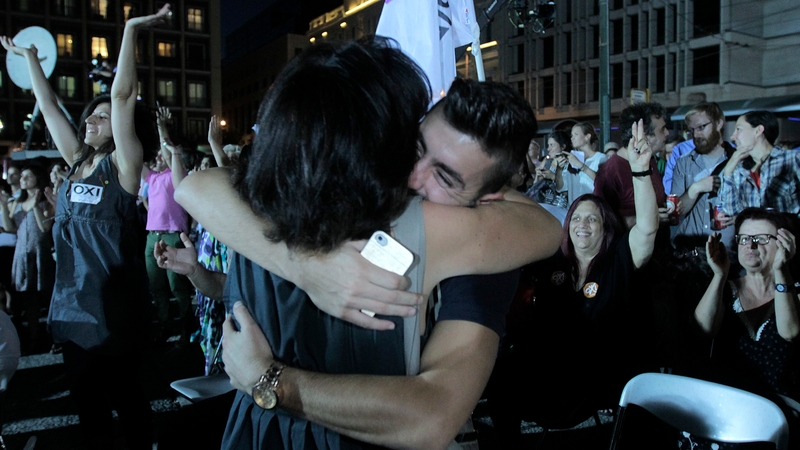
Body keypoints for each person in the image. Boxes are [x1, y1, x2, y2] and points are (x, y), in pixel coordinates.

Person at [174, 40, 561, 450]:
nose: (413, 176)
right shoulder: (271, 203)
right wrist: (307, 266)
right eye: (413, 147)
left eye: (445, 178)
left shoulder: (255, 201)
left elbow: (432, 416)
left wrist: (270, 380)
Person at [0, 6, 168, 449]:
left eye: (98, 117)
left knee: (128, 402)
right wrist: (31, 59)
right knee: (88, 409)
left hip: (115, 313)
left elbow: (121, 95)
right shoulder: (75, 163)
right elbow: (49, 105)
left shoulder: (122, 167)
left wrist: (130, 30)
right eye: (90, 117)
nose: (90, 120)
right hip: (72, 313)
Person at [487, 120, 659, 446]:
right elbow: (530, 212)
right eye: (576, 218)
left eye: (592, 218)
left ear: (604, 228)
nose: (582, 225)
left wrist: (640, 171)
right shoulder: (556, 264)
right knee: (500, 375)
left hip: (596, 377)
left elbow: (648, 229)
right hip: (550, 371)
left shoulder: (619, 262)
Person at [694, 208, 798, 402]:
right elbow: (704, 330)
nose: (750, 245)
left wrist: (781, 269)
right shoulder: (726, 288)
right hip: (729, 401)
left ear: (784, 243)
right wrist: (720, 275)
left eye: (762, 238)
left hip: (782, 406)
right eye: (744, 238)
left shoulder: (795, 291)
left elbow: (790, 332)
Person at [143, 106, 194, 343]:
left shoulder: (176, 175)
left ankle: (186, 324)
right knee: (157, 287)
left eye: (161, 155)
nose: (156, 158)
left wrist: (162, 128)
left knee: (177, 287)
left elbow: (168, 149)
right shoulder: (152, 178)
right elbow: (131, 159)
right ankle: (165, 324)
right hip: (153, 237)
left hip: (174, 236)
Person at [0, 165, 55, 351]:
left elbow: (44, 229)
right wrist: (2, 203)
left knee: (47, 296)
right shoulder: (17, 201)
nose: (22, 179)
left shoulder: (45, 199)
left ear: (37, 178)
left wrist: (34, 208)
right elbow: (9, 227)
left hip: (40, 251)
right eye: (21, 176)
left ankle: (54, 335)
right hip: (22, 253)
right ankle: (34, 336)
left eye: (27, 176)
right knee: (28, 298)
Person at [670, 102, 735, 251]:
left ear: (719, 123)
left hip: (726, 250)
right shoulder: (684, 163)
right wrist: (695, 188)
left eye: (701, 127)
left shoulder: (738, 161)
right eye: (691, 130)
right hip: (690, 250)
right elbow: (676, 213)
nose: (696, 135)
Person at [594, 102, 668, 229]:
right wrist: (644, 219)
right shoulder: (610, 172)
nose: (667, 133)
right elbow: (601, 220)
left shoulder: (649, 160)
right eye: (662, 129)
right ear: (643, 136)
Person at [719, 110, 800, 216]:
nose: (733, 137)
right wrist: (728, 170)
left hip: (787, 230)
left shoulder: (792, 159)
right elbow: (731, 211)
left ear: (758, 130)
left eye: (738, 129)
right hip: (754, 232)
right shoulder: (739, 169)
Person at [556, 122, 607, 202]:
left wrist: (580, 165)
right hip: (574, 210)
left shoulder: (600, 158)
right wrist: (559, 169)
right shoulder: (571, 158)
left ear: (587, 137)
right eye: (572, 135)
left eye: (576, 134)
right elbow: (560, 188)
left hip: (593, 208)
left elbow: (604, 183)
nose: (572, 138)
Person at [528, 130, 571, 223]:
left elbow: (569, 191)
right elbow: (535, 188)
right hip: (545, 205)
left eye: (552, 145)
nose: (548, 149)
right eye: (548, 145)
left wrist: (552, 176)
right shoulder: (547, 162)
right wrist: (537, 178)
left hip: (561, 208)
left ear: (563, 146)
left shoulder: (570, 164)